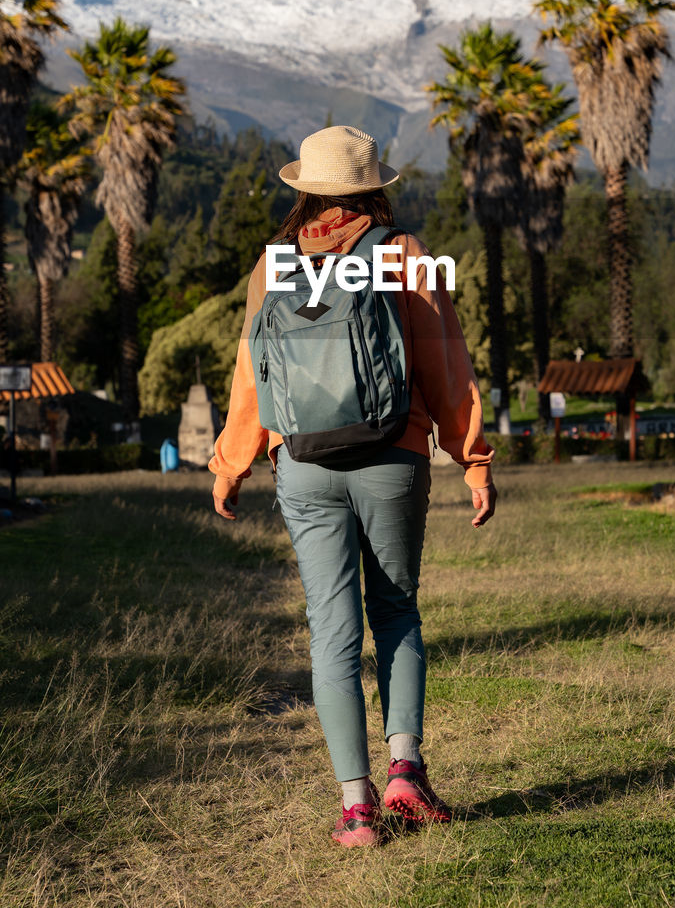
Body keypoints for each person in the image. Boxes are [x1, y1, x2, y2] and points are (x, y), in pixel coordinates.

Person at [209, 125, 496, 847]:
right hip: (392, 454)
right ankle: (405, 773)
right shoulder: (401, 256)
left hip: (301, 463)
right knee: (395, 611)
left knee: (331, 633)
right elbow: (444, 364)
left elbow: (251, 378)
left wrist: (231, 462)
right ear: (375, 188)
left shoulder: (272, 265)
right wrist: (473, 458)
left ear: (303, 188)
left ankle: (356, 809)